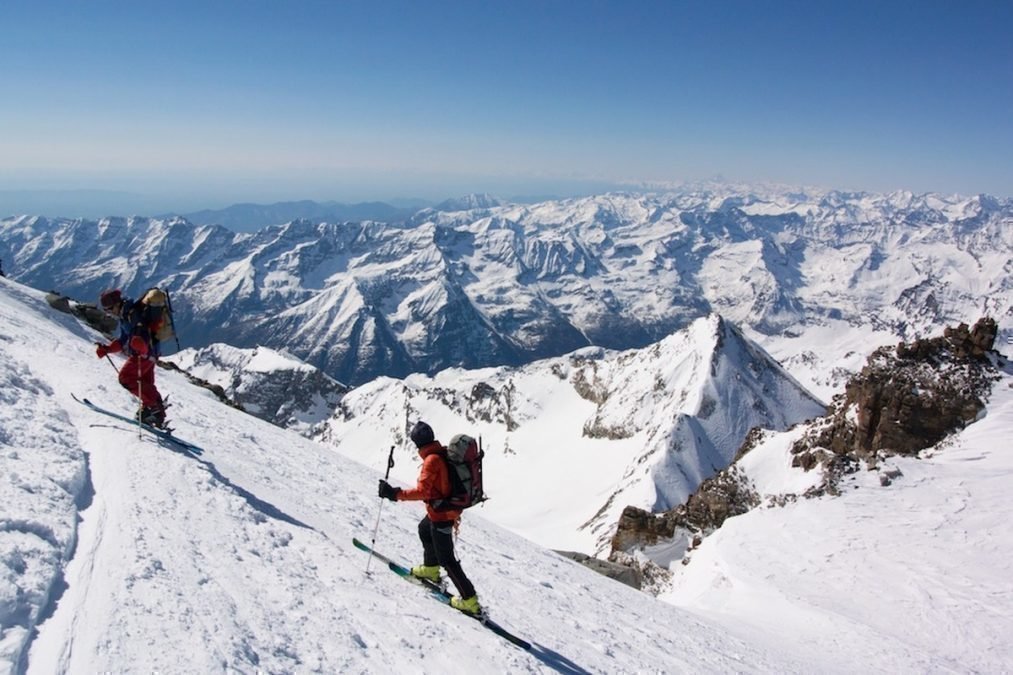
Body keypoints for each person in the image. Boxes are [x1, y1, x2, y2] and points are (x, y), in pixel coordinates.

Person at [378, 420, 482, 615]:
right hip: (444, 510)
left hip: (442, 513)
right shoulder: (441, 452)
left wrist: (394, 494)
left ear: (417, 443)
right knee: (424, 529)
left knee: (448, 559)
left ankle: (470, 600)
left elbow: (423, 492)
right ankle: (430, 568)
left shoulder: (431, 460)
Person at [95, 288, 167, 427]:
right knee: (144, 383)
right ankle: (153, 412)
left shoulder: (132, 314)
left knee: (126, 378)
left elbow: (142, 333)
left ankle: (154, 407)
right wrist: (107, 349)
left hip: (143, 354)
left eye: (109, 309)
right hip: (150, 354)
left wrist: (142, 346)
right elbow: (122, 341)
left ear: (116, 304)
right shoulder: (125, 316)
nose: (109, 313)